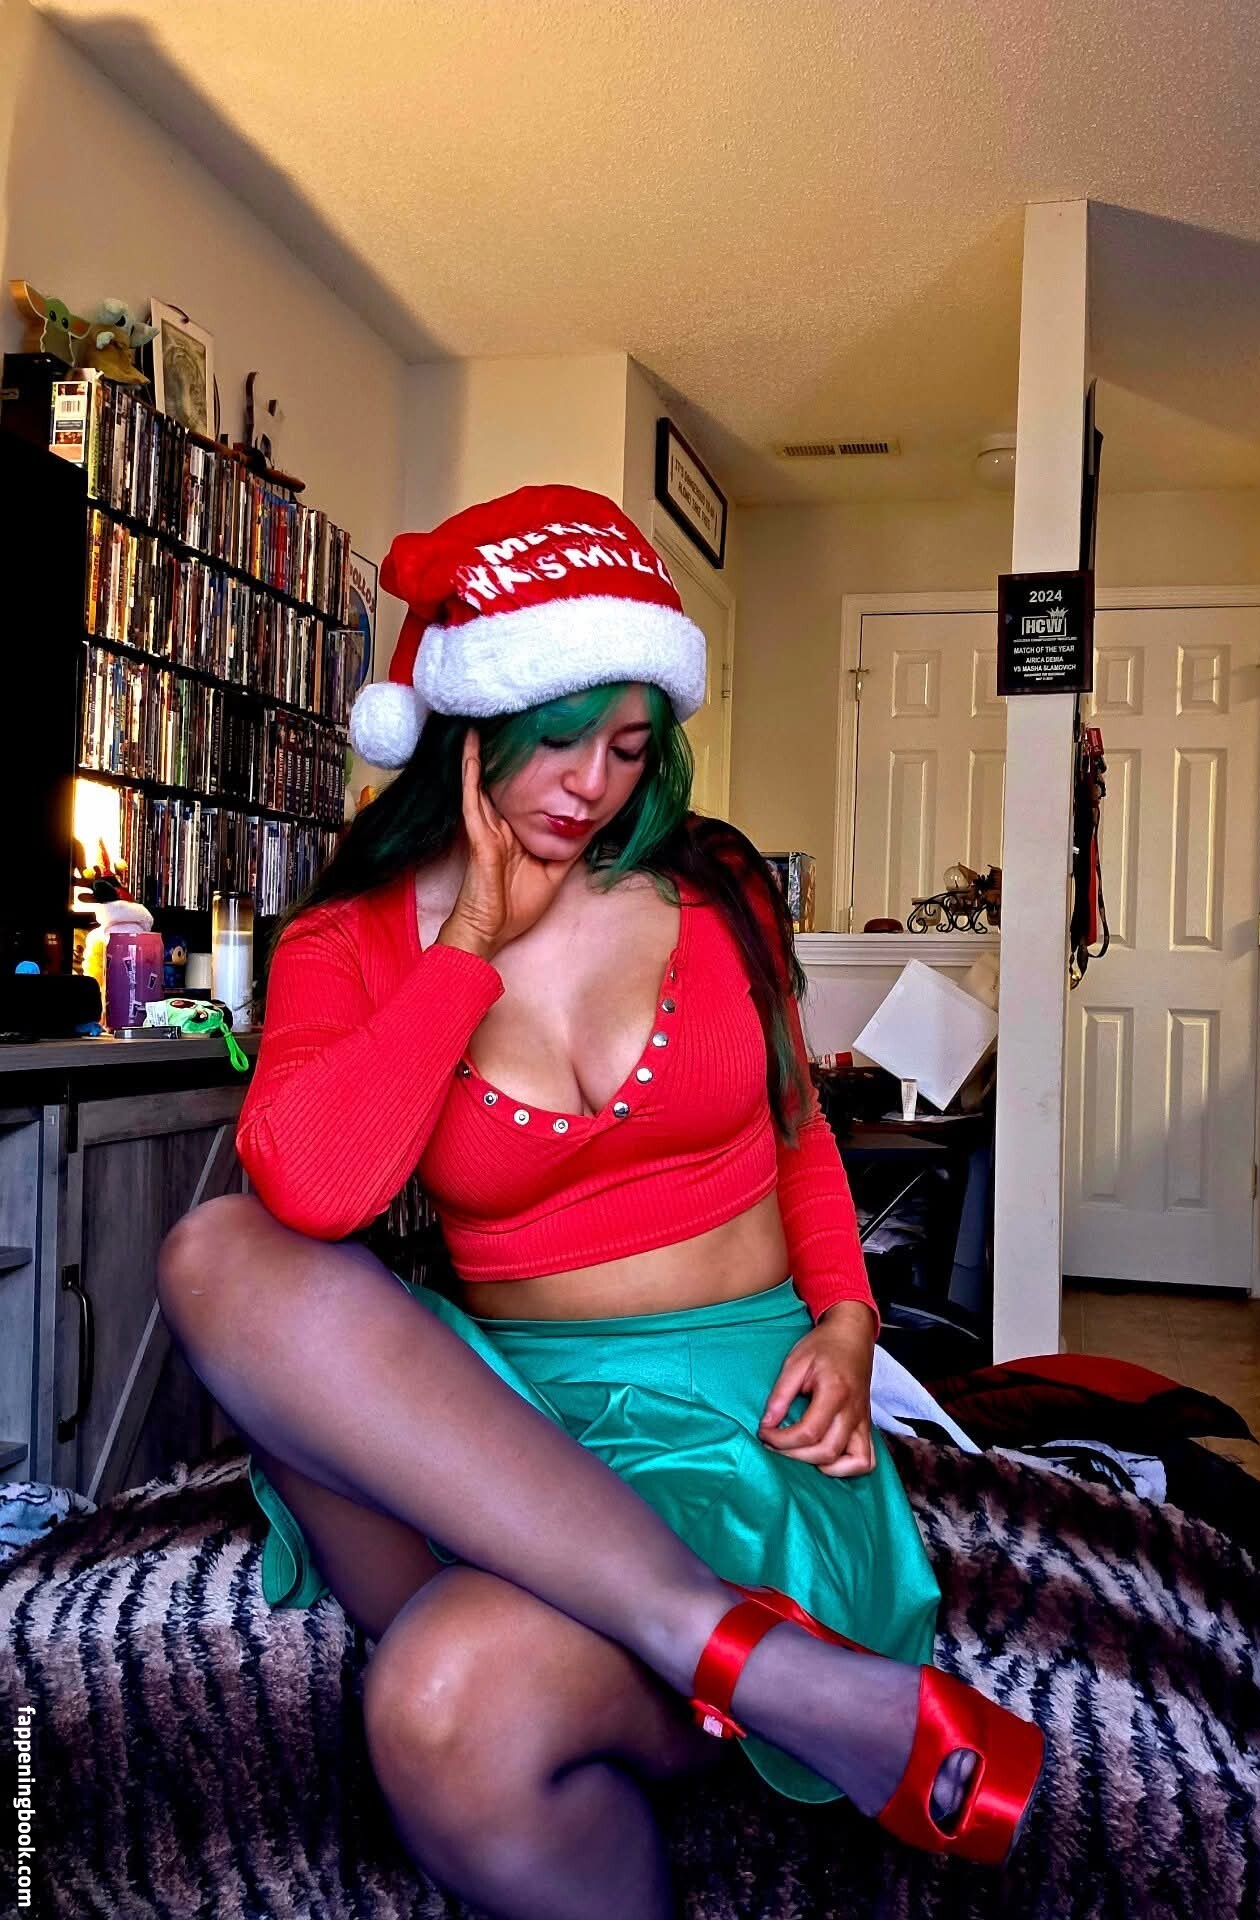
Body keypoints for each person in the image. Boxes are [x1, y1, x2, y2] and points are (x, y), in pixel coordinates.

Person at [156, 485, 1042, 1920]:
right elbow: (314, 1189)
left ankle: (699, 1629)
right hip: (492, 1432)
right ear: (467, 725)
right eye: (556, 739)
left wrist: (847, 1319)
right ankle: (735, 1652)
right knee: (217, 1248)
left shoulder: (711, 886)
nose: (590, 786)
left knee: (444, 1701)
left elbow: (799, 1135)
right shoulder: (351, 940)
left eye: (629, 748)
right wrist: (468, 946)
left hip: (733, 1426)